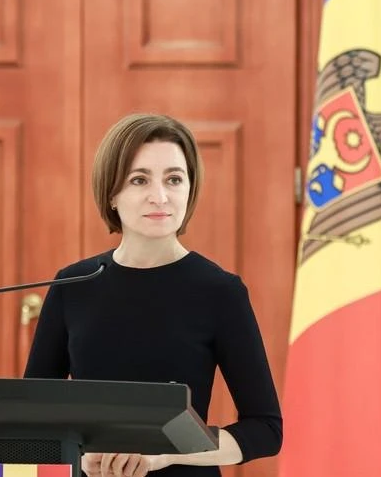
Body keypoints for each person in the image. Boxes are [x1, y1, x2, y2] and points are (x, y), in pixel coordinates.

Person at [24, 114, 282, 477]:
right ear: (112, 193)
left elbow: (265, 430)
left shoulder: (221, 292)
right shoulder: (72, 285)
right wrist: (79, 457)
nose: (159, 197)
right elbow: (30, 421)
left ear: (190, 189)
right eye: (139, 180)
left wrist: (167, 453)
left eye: (174, 179)